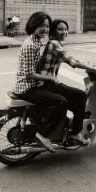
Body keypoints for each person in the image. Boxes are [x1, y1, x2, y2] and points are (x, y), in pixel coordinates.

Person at [37, 19, 96, 146]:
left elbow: (70, 58)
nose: (64, 32)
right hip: (47, 84)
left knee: (74, 99)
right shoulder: (54, 43)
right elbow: (72, 62)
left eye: (65, 29)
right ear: (53, 31)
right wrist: (92, 68)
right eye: (60, 29)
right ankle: (75, 134)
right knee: (80, 95)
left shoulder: (55, 44)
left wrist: (88, 64)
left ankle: (69, 126)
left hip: (46, 83)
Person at [12, 11, 67, 153]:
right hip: (27, 88)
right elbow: (29, 74)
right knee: (60, 101)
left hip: (28, 85)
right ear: (33, 25)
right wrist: (50, 78)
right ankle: (43, 135)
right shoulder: (31, 45)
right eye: (41, 25)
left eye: (47, 26)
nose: (45, 29)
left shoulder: (36, 41)